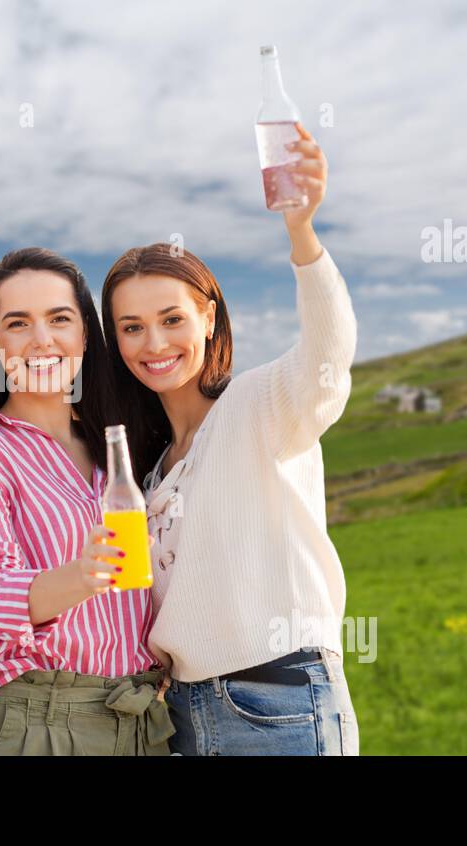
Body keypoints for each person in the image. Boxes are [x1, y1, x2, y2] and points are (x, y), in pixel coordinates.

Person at [101, 124, 360, 755]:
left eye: (171, 319)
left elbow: (328, 360)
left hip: (276, 699)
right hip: (184, 713)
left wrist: (302, 235)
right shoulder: (151, 469)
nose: (154, 344)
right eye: (131, 327)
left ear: (208, 316)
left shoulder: (257, 407)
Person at [0, 247, 173, 755]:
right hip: (31, 718)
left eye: (58, 319)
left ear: (84, 334)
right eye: (18, 323)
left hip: (133, 715)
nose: (41, 340)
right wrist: (83, 576)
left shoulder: (115, 453)